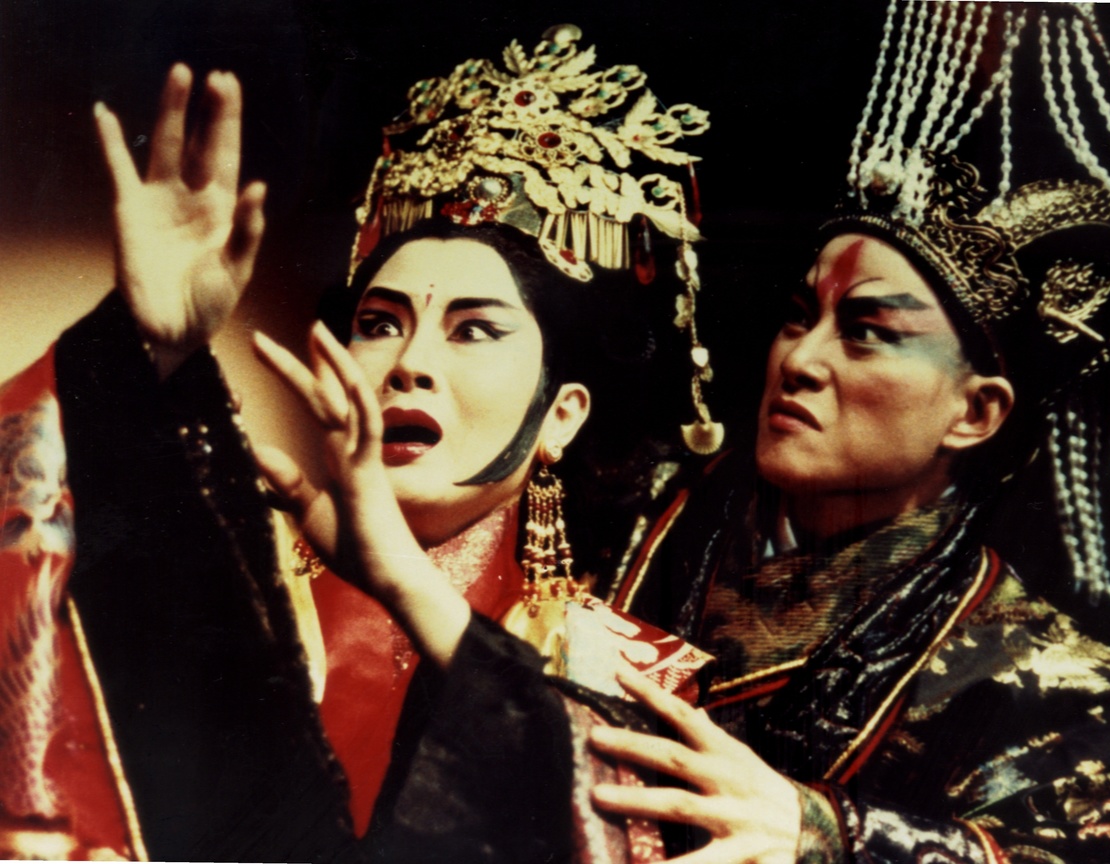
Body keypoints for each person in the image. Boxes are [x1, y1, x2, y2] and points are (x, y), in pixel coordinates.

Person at [0, 24, 716, 862]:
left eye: (474, 330)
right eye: (379, 324)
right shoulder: (233, 587)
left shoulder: (632, 676)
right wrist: (136, 351)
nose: (409, 364)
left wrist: (401, 578)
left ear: (562, 413)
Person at [590, 5, 1110, 863]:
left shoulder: (1075, 701)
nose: (799, 360)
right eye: (799, 317)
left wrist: (823, 835)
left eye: (868, 331)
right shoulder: (621, 517)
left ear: (974, 412)